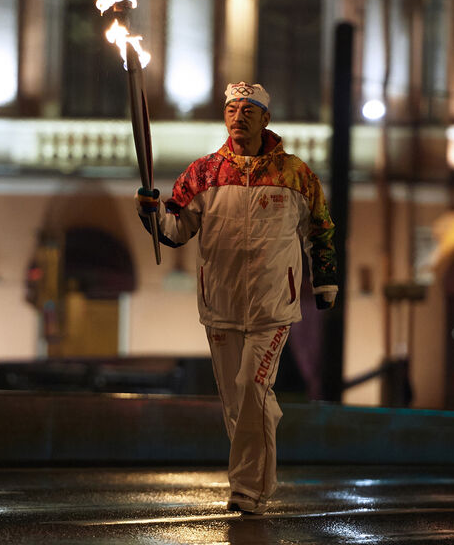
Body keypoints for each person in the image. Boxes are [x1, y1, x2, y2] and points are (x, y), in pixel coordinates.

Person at [134, 82, 338, 514]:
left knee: (252, 387)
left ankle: (250, 491)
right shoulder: (202, 173)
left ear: (266, 119)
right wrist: (150, 213)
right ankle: (252, 476)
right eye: (232, 109)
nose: (238, 116)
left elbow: (321, 228)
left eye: (249, 109)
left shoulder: (295, 175)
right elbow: (175, 230)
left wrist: (325, 281)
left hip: (273, 308)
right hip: (220, 305)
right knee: (237, 402)